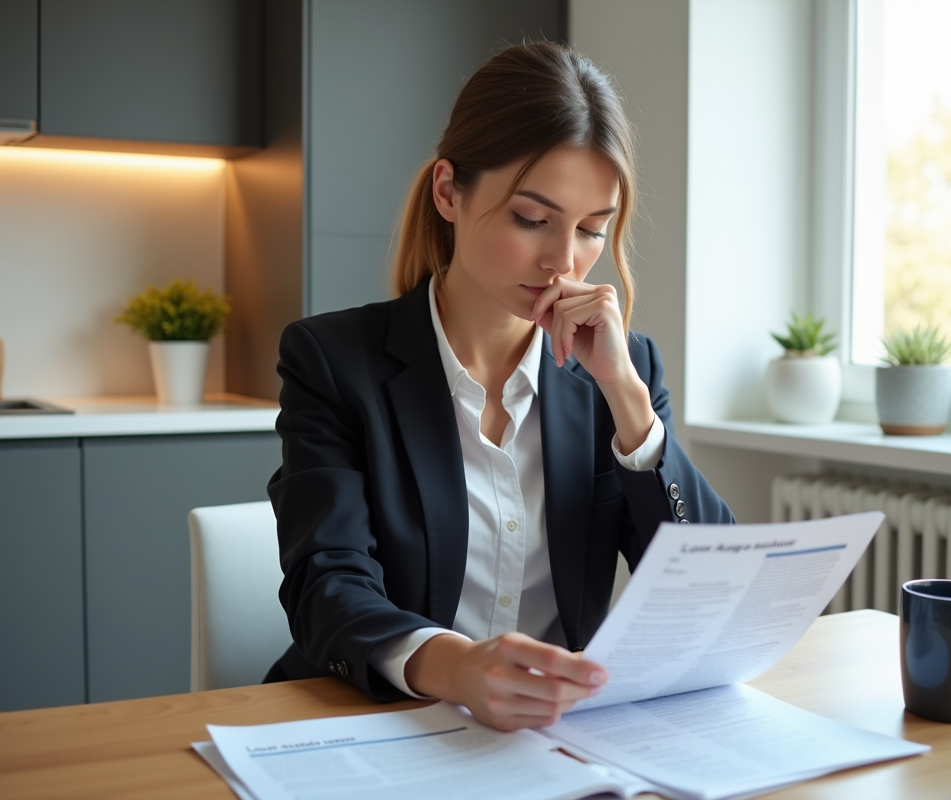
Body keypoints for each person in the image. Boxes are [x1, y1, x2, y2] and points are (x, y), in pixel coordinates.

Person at [265, 40, 734, 731]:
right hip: (383, 724)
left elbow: (710, 588)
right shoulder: (334, 361)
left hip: (552, 743)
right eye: (532, 220)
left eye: (591, 231)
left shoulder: (622, 369)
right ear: (449, 192)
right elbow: (326, 587)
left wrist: (629, 403)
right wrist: (455, 667)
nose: (563, 261)